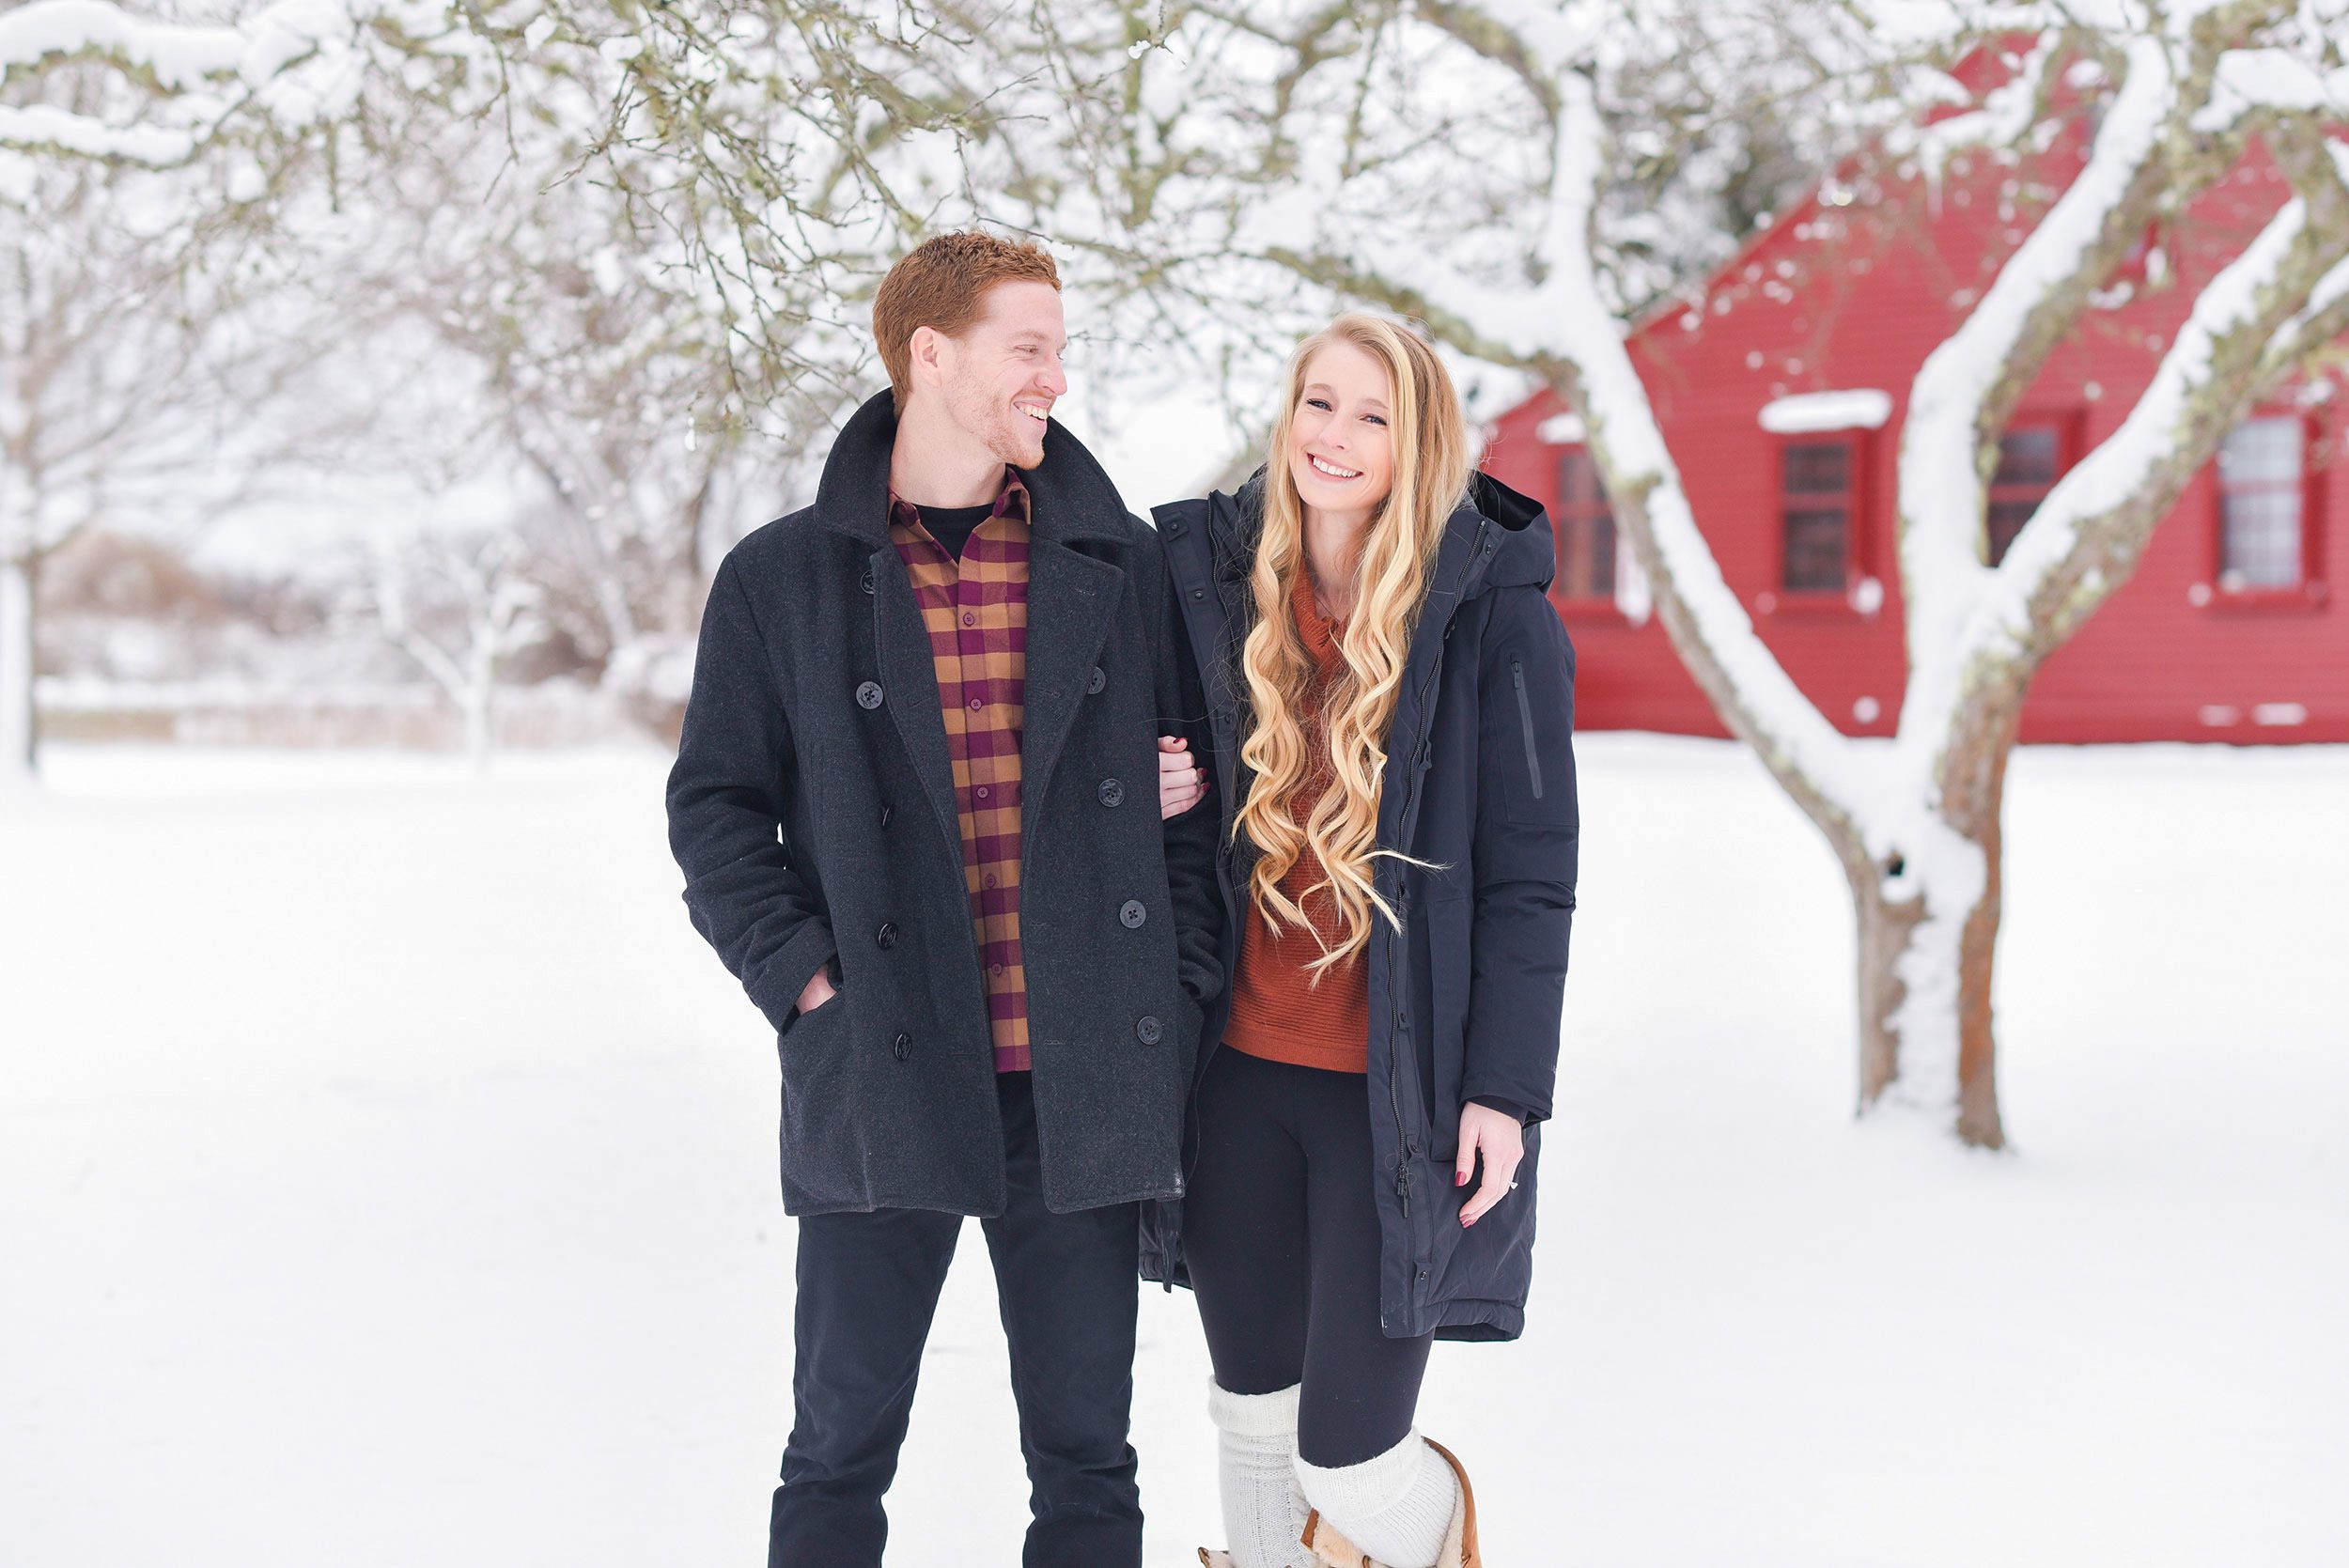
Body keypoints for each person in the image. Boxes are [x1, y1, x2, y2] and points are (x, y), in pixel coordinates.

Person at [665, 230, 1223, 1568]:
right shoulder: (781, 580)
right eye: (1030, 346)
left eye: (1061, 348)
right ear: (933, 351)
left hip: (1079, 1079)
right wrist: (808, 984)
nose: (1056, 376)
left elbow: (1202, 812)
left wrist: (1179, 977)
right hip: (886, 1069)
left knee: (1088, 1457)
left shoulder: (1123, 565)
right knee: (839, 1449)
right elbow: (715, 810)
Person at [1143, 314, 1579, 1568]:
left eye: (1372, 415)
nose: (1333, 437)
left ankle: (1444, 1544)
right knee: (1249, 1420)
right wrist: (1152, 775)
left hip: (1396, 1105)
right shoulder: (1216, 595)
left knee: (1349, 1455)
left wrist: (1503, 1090)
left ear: (1417, 441)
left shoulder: (1494, 622)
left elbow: (1532, 881)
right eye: (1317, 404)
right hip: (1234, 1083)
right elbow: (1141, 756)